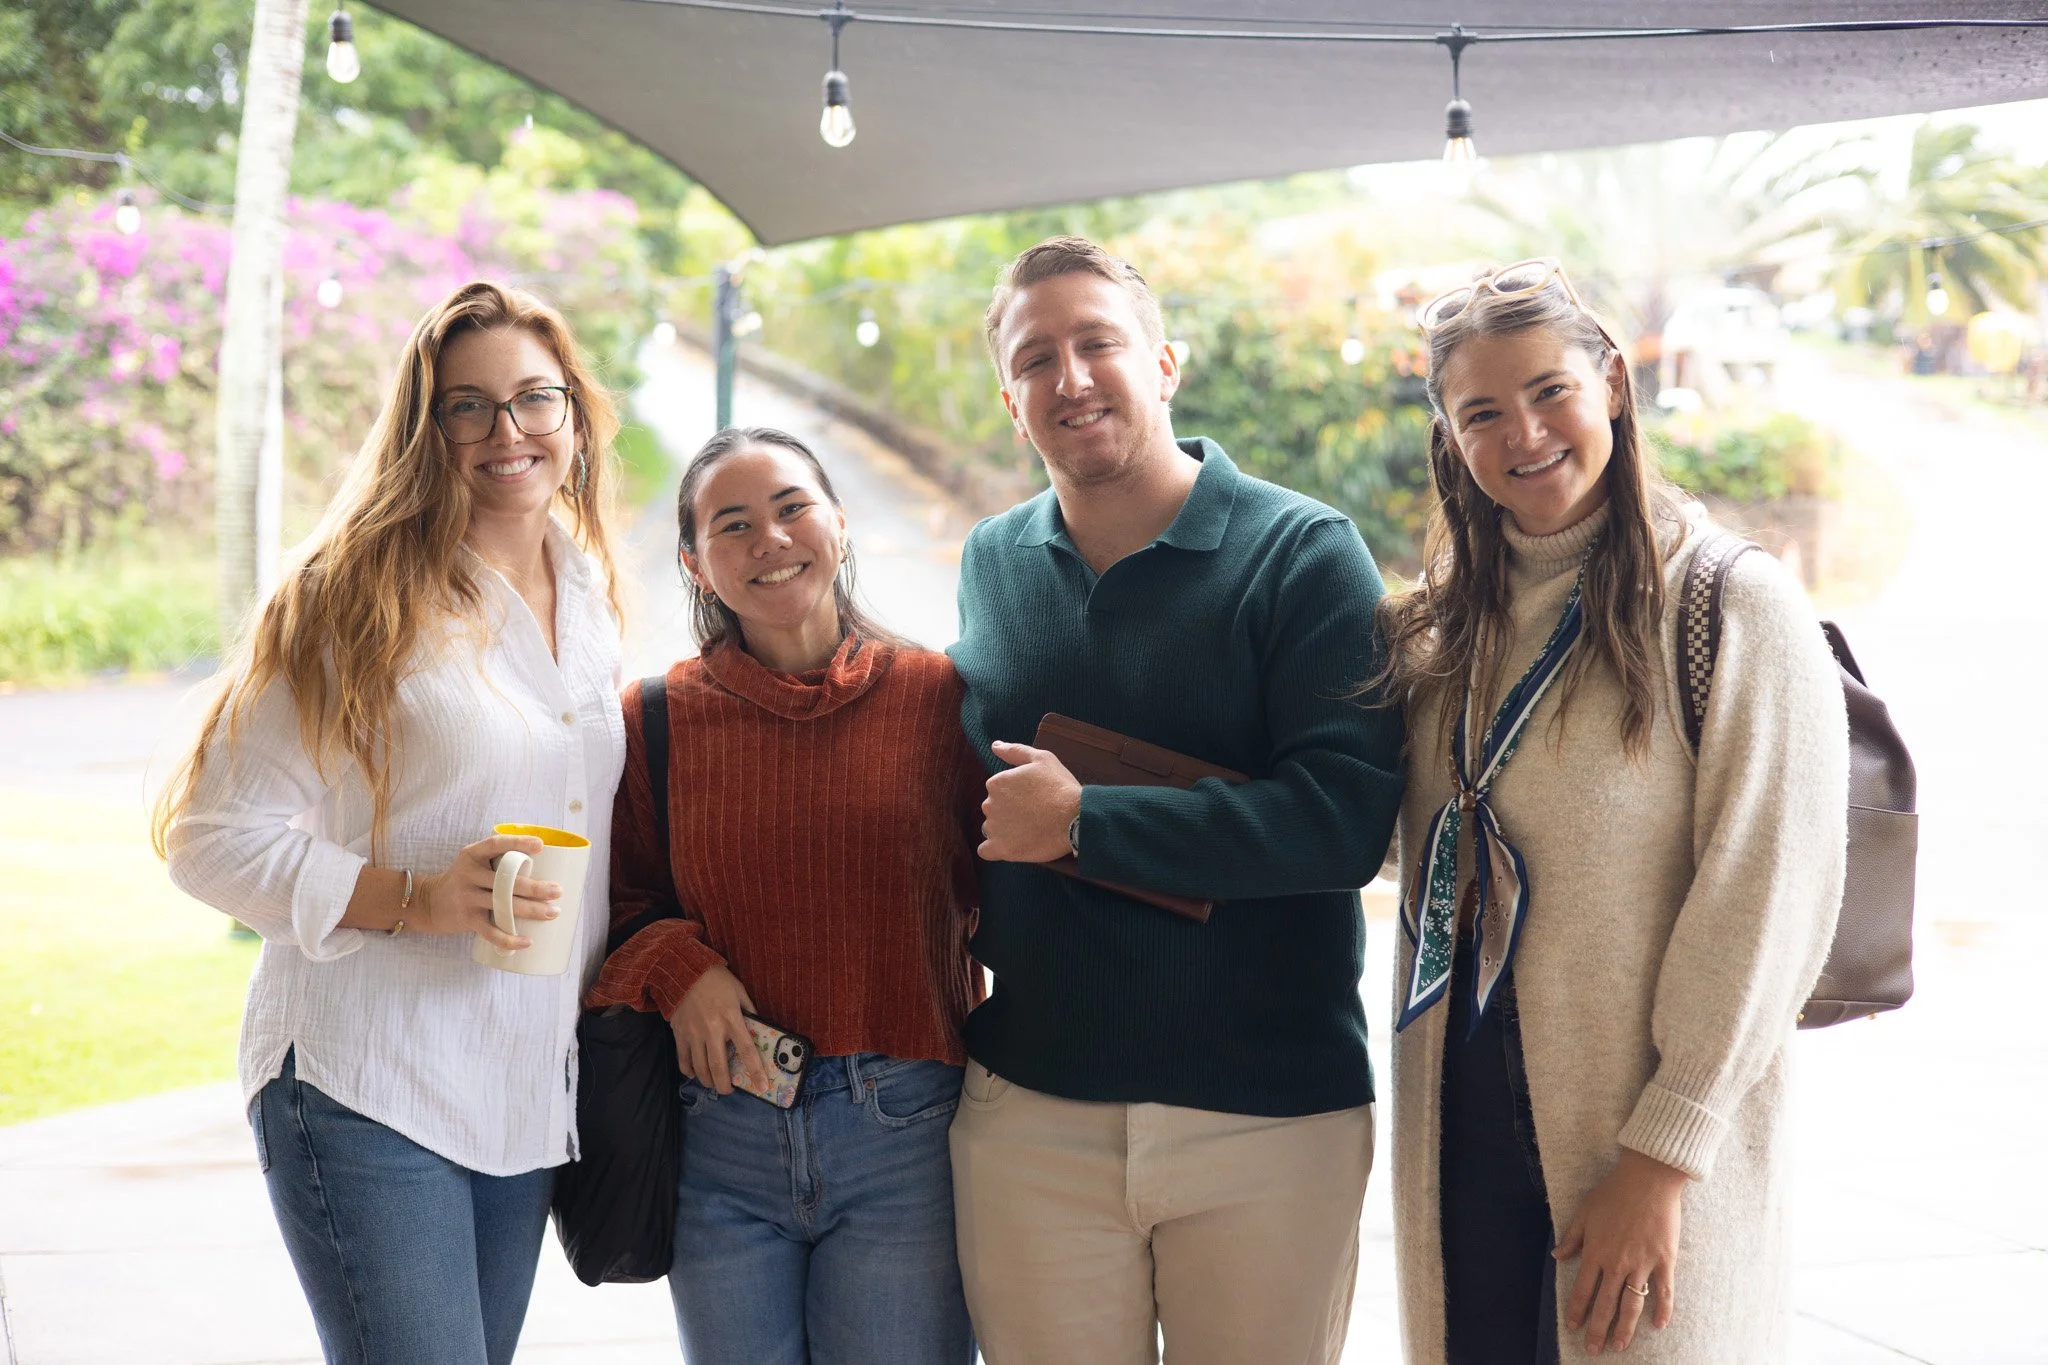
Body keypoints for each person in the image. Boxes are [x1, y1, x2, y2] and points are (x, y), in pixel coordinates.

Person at [1376, 259, 1848, 1362]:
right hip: (1461, 1128)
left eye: (1549, 392)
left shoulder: (1728, 605)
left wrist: (1663, 1155)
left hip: (1636, 1140)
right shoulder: (1441, 634)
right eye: (1480, 412)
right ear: (1450, 440)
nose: (1523, 434)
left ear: (1613, 388)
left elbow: (1762, 897)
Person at [946, 236, 1406, 1364]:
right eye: (1036, 357)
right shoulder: (992, 560)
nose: (1072, 377)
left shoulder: (1302, 553)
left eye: (1097, 342)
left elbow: (1344, 819)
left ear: (1163, 363)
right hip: (1033, 1108)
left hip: (1263, 1114)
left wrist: (1087, 823)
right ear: (1013, 404)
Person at [155, 281, 630, 1365]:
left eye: (534, 399)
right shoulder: (346, 594)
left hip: (517, 1090)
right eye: (468, 407)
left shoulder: (589, 594)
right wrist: (414, 900)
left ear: (574, 414)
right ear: (425, 429)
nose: (507, 433)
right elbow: (210, 836)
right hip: (364, 1079)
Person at [587, 426, 980, 1365]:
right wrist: (679, 968)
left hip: (908, 1131)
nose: (770, 538)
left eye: (792, 506)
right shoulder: (654, 719)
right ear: (695, 562)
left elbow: (1006, 896)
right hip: (719, 1134)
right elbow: (615, 904)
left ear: (838, 524)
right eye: (733, 524)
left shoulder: (940, 700)